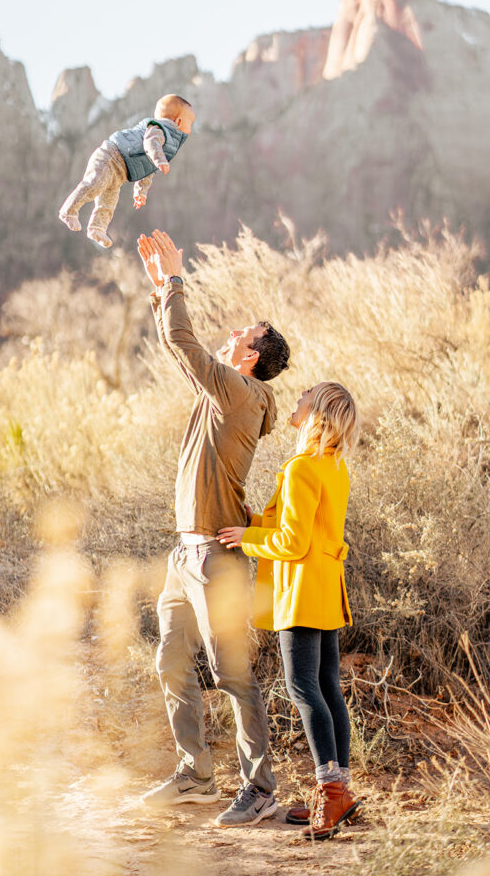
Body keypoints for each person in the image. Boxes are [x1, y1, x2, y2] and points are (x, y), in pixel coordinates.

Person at [137, 229, 291, 828]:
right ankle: (196, 775)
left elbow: (184, 339)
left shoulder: (240, 394)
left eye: (241, 337)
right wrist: (160, 293)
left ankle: (260, 789)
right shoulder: (224, 391)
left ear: (250, 356)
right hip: (186, 556)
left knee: (232, 674)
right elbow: (178, 347)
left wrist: (176, 282)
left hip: (216, 560)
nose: (231, 338)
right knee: (171, 661)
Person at [217, 381, 361, 841]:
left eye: (305, 395)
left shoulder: (301, 468)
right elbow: (308, 532)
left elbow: (294, 543)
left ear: (316, 413)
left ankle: (331, 793)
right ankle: (340, 792)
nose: (297, 397)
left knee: (303, 688)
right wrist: (256, 522)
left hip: (300, 592)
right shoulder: (334, 466)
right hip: (325, 588)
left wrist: (247, 538)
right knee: (326, 687)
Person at [59, 95, 194, 248]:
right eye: (191, 123)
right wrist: (160, 160)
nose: (191, 129)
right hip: (110, 157)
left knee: (108, 202)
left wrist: (140, 192)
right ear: (179, 122)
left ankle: (97, 228)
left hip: (120, 174)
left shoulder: (167, 143)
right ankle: (68, 211)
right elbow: (151, 145)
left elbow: (147, 169)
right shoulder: (159, 129)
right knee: (93, 185)